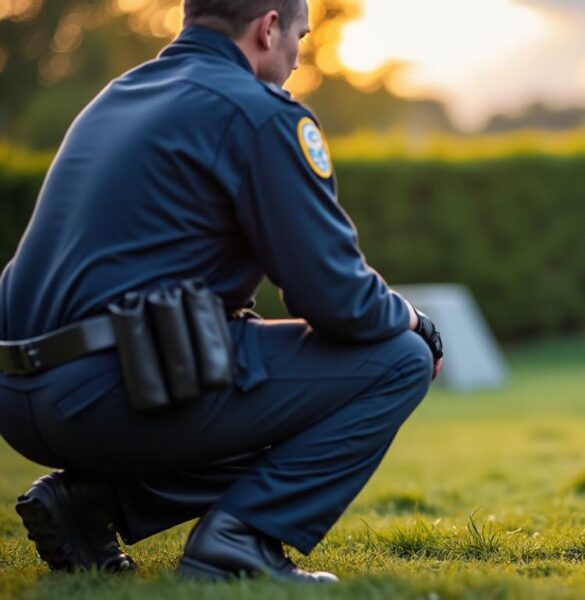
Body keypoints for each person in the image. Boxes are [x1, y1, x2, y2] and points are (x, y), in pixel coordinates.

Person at [0, 0, 442, 583]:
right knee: (398, 359)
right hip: (108, 389)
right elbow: (339, 302)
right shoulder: (259, 114)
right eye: (300, 41)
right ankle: (240, 541)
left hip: (20, 393)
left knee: (261, 363)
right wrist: (415, 320)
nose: (294, 61)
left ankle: (91, 504)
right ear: (268, 28)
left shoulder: (117, 98)